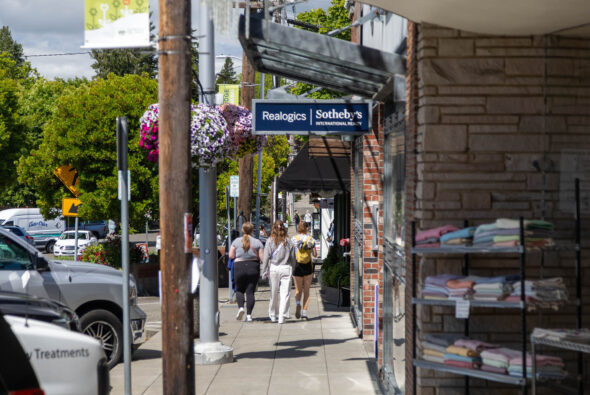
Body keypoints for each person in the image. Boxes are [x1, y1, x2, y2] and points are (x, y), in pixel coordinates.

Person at [228, 222, 264, 322]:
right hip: (253, 267)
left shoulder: (236, 241)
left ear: (243, 230)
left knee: (239, 290)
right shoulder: (257, 242)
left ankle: (240, 308)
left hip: (239, 266)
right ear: (252, 230)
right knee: (250, 292)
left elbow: (231, 255)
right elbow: (262, 258)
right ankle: (249, 315)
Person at [262, 220, 296, 324]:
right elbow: (293, 257)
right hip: (286, 267)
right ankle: (282, 316)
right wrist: (293, 268)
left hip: (274, 268)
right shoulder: (288, 241)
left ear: (274, 228)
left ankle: (273, 315)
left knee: (273, 292)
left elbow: (266, 257)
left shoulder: (269, 241)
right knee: (285, 293)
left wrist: (264, 270)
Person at [292, 222, 317, 320]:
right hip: (308, 266)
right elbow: (315, 254)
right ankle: (304, 312)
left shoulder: (294, 239)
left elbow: (291, 253)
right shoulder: (311, 239)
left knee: (298, 290)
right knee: (306, 290)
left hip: (297, 266)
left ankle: (298, 303)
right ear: (306, 228)